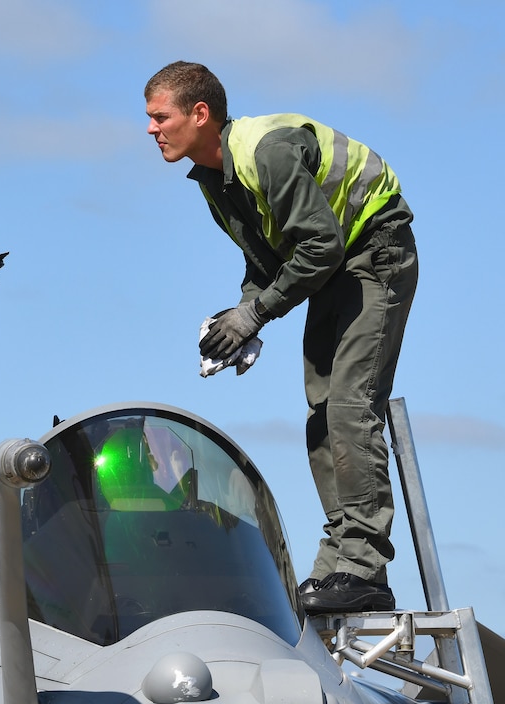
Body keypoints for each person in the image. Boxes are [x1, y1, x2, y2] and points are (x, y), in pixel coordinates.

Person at [144, 61, 418, 614]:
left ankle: (364, 568)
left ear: (200, 114)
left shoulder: (264, 154)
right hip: (338, 265)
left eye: (159, 117)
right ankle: (337, 565)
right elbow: (268, 259)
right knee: (322, 412)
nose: (151, 130)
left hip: (375, 249)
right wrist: (240, 315)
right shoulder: (213, 178)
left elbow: (320, 247)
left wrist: (257, 315)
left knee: (349, 404)